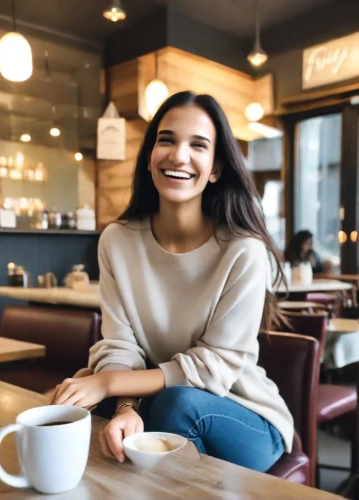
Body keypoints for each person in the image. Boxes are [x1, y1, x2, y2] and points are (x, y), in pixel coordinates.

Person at [51, 91, 294, 472]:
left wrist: (110, 384)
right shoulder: (117, 240)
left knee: (176, 404)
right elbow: (119, 345)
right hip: (162, 403)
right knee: (82, 389)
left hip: (247, 417)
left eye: (198, 145)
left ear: (215, 168)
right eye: (166, 140)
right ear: (150, 157)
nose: (179, 156)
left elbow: (214, 367)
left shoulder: (242, 251)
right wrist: (124, 406)